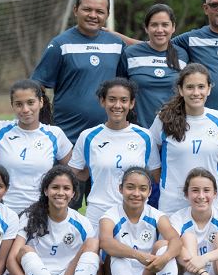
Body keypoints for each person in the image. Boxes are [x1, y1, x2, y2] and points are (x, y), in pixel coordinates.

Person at [32, 0, 125, 209]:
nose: (93, 15)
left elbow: (125, 87)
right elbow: (37, 85)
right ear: (76, 10)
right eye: (87, 9)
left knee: (109, 210)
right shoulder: (60, 44)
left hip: (108, 143)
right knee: (63, 208)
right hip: (69, 143)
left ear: (107, 15)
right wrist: (44, 123)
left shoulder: (117, 45)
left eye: (99, 11)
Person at [7, 166, 100, 275]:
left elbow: (98, 266)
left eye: (66, 188)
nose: (60, 193)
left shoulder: (81, 222)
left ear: (73, 193)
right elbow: (11, 259)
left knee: (94, 244)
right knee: (24, 250)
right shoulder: (29, 218)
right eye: (55, 187)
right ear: (46, 191)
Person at [68, 78, 159, 230]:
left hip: (135, 212)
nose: (117, 105)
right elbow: (74, 173)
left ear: (131, 103)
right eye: (112, 99)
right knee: (93, 254)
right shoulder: (88, 137)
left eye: (123, 100)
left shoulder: (145, 136)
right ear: (102, 101)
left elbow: (156, 176)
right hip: (98, 213)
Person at [99, 167, 182, 275]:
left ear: (149, 191)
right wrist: (138, 255)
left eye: (142, 189)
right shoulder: (109, 215)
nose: (136, 194)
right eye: (130, 188)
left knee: (164, 246)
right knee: (117, 252)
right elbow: (105, 242)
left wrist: (164, 258)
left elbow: (176, 241)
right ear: (121, 189)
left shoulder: (156, 215)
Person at [0, 79, 73, 213]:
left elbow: (73, 171)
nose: (25, 109)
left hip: (41, 213)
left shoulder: (55, 134)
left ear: (41, 102)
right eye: (19, 104)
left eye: (30, 103)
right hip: (2, 212)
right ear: (12, 105)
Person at [149, 64, 218, 214]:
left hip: (209, 201)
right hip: (173, 202)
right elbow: (150, 150)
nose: (196, 92)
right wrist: (164, 182)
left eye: (201, 87)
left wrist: (216, 177)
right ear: (180, 89)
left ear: (209, 89)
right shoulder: (164, 118)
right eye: (190, 87)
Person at [122, 4, 189, 128]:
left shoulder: (183, 55)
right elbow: (120, 91)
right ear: (146, 28)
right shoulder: (130, 53)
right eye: (154, 25)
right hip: (138, 131)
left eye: (165, 24)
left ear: (173, 27)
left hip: (173, 130)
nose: (159, 30)